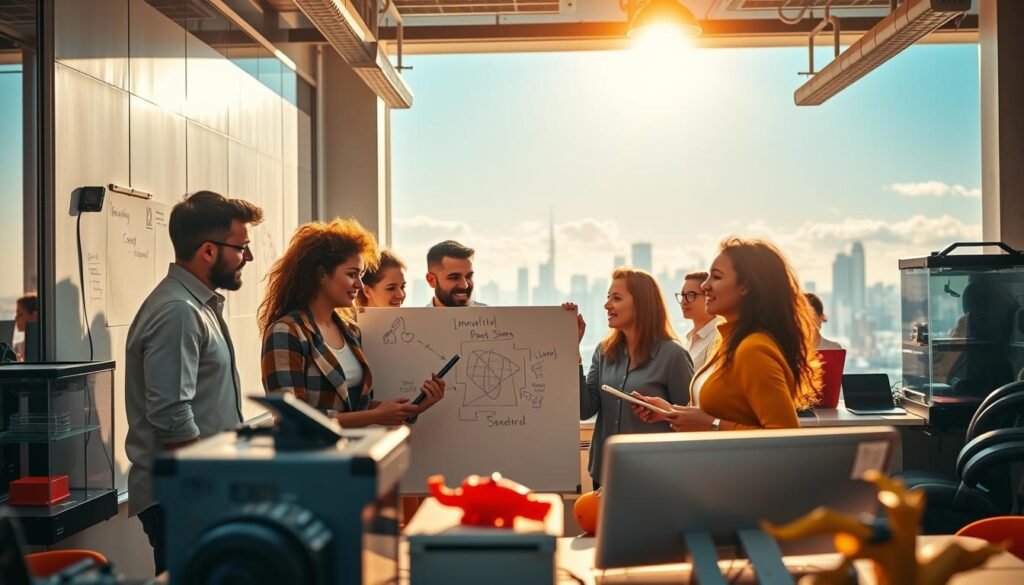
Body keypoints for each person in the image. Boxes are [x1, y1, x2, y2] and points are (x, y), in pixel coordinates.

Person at [125, 191, 264, 575]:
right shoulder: (179, 312)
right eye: (242, 247)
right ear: (207, 251)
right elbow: (171, 415)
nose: (247, 258)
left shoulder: (198, 305)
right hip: (186, 496)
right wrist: (209, 488)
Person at [260, 219, 446, 426]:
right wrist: (376, 416)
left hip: (353, 450)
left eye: (361, 275)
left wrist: (415, 407)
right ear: (321, 275)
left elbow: (356, 407)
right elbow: (291, 418)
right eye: (352, 274)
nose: (359, 284)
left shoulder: (349, 331)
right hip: (315, 457)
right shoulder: (286, 332)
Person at [633, 237, 820, 431]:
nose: (705, 286)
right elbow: (718, 412)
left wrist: (713, 425)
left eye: (717, 276)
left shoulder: (753, 349)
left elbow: (784, 437)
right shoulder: (727, 342)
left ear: (746, 286)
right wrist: (669, 411)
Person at [570, 268, 693, 489]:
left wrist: (663, 414)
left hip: (654, 477)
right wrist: (572, 351)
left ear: (642, 305)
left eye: (616, 298)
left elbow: (690, 423)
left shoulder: (673, 355)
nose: (607, 305)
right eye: (608, 297)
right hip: (605, 473)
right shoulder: (604, 352)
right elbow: (584, 410)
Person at [677, 271, 719, 370]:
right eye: (682, 295)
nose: (683, 302)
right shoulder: (688, 338)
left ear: (709, 296)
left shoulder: (718, 338)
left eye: (691, 295)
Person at [425, 240, 486, 307]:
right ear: (431, 280)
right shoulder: (418, 317)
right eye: (454, 277)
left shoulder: (490, 314)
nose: (465, 285)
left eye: (469, 276)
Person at [13, 293, 38, 361]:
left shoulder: (40, 348)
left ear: (34, 316)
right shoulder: (18, 347)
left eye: (20, 314)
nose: (16, 318)